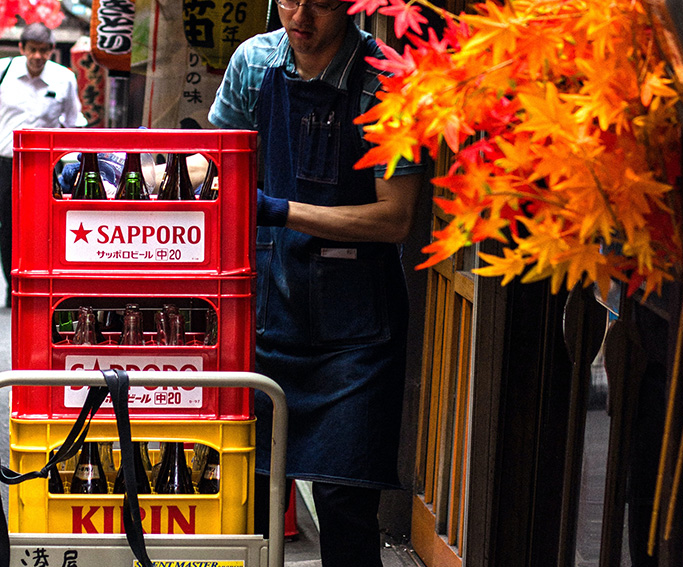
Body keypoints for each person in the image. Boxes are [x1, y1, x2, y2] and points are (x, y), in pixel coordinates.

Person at [208, 2, 424, 565]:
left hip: (357, 328)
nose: (300, 16)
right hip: (264, 310)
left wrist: (280, 211)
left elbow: (394, 217)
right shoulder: (254, 63)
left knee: (343, 500)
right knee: (243, 497)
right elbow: (215, 167)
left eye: (321, 3)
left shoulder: (388, 81)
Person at [0, 23, 82, 307]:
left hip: (47, 167)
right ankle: (13, 286)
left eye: (44, 50)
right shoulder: (3, 71)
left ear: (51, 51)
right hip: (8, 164)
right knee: (8, 225)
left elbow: (74, 123)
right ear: (21, 49)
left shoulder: (64, 78)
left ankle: (41, 285)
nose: (37, 56)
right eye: (32, 50)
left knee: (44, 227)